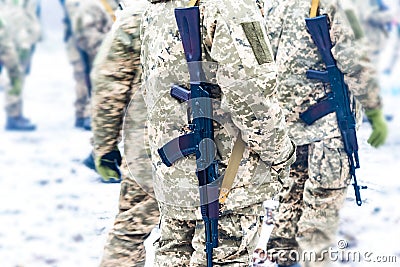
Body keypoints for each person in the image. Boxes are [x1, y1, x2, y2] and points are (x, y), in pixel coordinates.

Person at [139, 0, 296, 266]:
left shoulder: (156, 8)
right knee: (225, 256)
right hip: (227, 176)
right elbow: (253, 96)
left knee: (173, 253)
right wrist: (281, 154)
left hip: (175, 178)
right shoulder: (230, 6)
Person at [262, 0, 389, 266]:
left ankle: (283, 258)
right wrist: (375, 111)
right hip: (327, 127)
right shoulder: (333, 4)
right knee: (321, 207)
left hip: (288, 127)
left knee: (291, 195)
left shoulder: (276, 4)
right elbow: (354, 61)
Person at [90, 1, 160, 266]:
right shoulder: (221, 11)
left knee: (131, 228)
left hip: (146, 141)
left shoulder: (136, 18)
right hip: (209, 141)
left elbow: (109, 86)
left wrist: (104, 147)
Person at [59, 0, 118, 130]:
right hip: (85, 39)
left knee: (87, 76)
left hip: (90, 37)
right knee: (87, 76)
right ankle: (86, 114)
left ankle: (84, 114)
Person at [0, 0, 41, 131]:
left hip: (19, 36)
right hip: (14, 37)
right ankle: (13, 115)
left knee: (18, 75)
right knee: (15, 75)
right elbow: (17, 16)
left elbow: (31, 13)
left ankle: (15, 113)